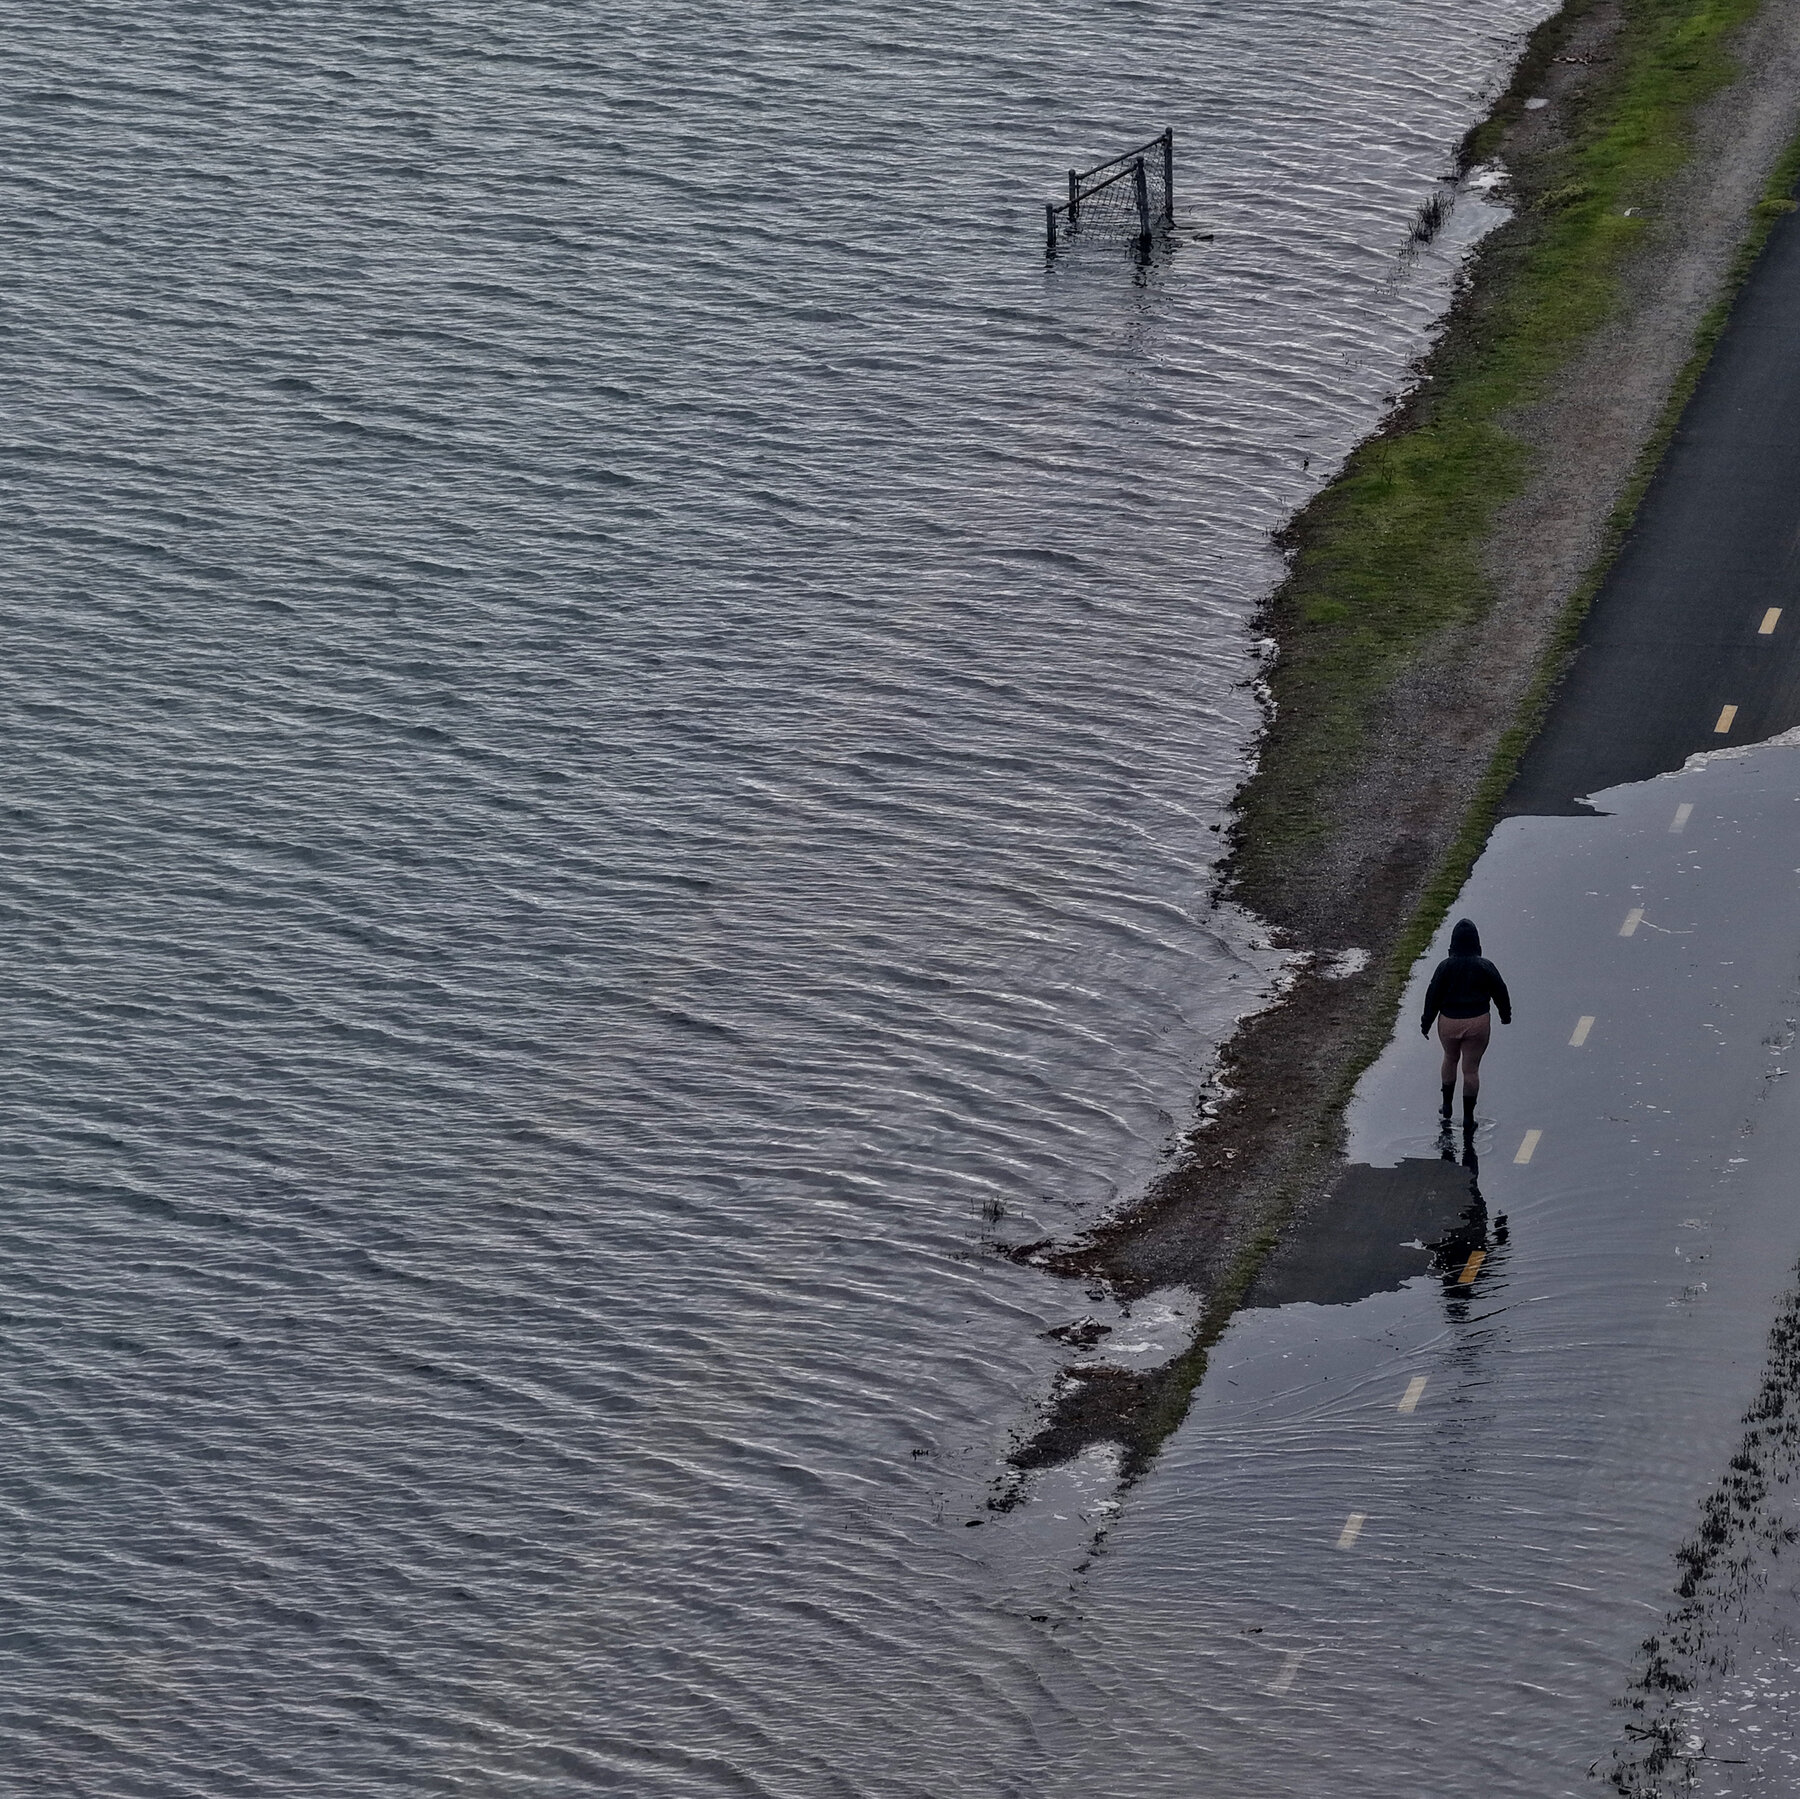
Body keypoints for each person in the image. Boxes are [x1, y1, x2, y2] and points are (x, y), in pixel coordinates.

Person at [1420, 918, 1511, 1130]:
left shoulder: (1444, 967)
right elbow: (1500, 991)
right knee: (1471, 1070)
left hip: (1449, 1021)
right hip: (1477, 1022)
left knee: (1450, 1059)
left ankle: (1447, 1105)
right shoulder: (1485, 966)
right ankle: (1469, 1117)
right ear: (1477, 944)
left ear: (1452, 944)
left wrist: (1426, 1023)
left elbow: (1432, 995)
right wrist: (1505, 1015)